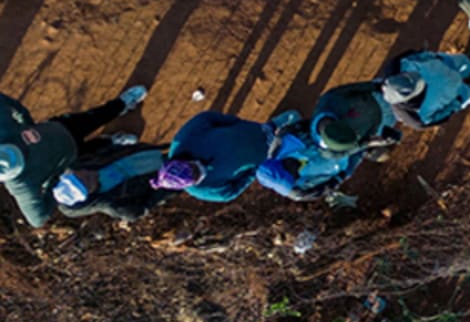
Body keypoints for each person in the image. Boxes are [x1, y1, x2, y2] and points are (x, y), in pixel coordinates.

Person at [0, 85, 147, 228]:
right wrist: (54, 183)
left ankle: (122, 104)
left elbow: (4, 102)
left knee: (96, 116)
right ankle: (111, 140)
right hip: (69, 160)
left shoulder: (3, 130)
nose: (24, 151)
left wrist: (25, 120)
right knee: (93, 151)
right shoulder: (22, 187)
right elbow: (37, 220)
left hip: (61, 128)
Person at [156, 111, 273, 202]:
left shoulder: (183, 142)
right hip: (268, 154)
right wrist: (255, 169)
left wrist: (235, 123)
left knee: (288, 118)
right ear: (188, 184)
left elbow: (205, 118)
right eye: (196, 176)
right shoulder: (205, 190)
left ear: (182, 160)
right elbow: (231, 192)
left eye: (192, 167)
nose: (198, 169)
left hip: (256, 129)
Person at [383, 51, 470, 129]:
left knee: (461, 67)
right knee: (469, 92)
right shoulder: (419, 115)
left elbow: (418, 55)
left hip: (447, 71)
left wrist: (435, 57)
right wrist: (457, 103)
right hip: (453, 86)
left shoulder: (399, 64)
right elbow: (439, 117)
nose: (416, 75)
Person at [53, 139, 172, 221]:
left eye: (80, 175)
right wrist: (169, 184)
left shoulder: (80, 163)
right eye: (88, 181)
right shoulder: (114, 205)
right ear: (89, 194)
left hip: (145, 155)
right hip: (166, 175)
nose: (89, 174)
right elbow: (141, 209)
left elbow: (102, 150)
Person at [308, 80, 403, 164]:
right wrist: (378, 141)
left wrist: (376, 86)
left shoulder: (330, 100)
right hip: (383, 122)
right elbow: (358, 146)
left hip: (377, 96)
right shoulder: (330, 153)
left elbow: (354, 88)